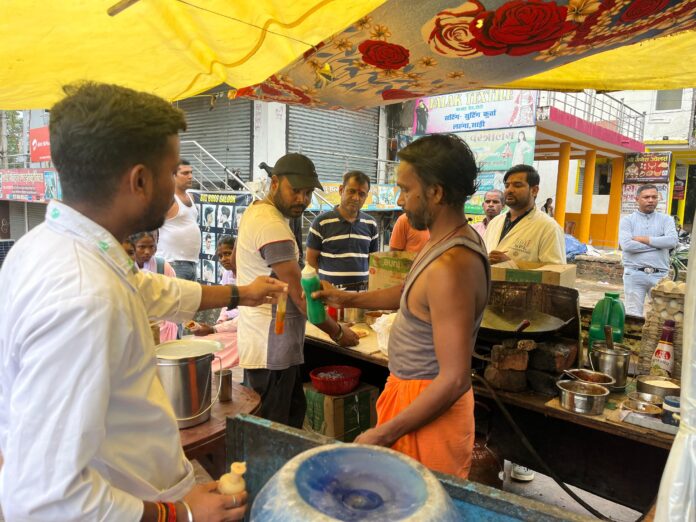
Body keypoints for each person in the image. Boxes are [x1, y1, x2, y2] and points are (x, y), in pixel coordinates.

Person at [0, 82, 287, 521]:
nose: (176, 186)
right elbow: (48, 498)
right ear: (139, 180)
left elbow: (153, 289)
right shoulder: (85, 299)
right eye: (171, 172)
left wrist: (241, 292)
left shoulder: (44, 246)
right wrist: (180, 514)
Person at [314, 134, 490, 480]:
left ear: (435, 192)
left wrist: (383, 433)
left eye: (405, 190)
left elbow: (454, 379)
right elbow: (409, 293)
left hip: (431, 415)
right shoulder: (441, 243)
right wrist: (346, 298)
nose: (399, 200)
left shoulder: (452, 265)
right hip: (412, 400)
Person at [236, 153, 359, 428]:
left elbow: (237, 262)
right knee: (274, 431)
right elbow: (301, 298)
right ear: (275, 183)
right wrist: (338, 332)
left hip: (263, 342)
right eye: (296, 191)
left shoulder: (255, 211)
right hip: (272, 349)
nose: (302, 199)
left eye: (308, 193)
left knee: (276, 424)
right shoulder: (271, 225)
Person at [306, 170, 379, 288]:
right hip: (329, 294)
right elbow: (311, 261)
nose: (356, 198)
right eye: (352, 191)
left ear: (366, 197)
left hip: (361, 295)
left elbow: (373, 262)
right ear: (341, 190)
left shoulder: (371, 224)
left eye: (361, 194)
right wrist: (317, 287)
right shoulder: (321, 222)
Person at [483, 164, 566, 266]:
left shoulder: (549, 227)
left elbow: (555, 270)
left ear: (534, 190)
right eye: (507, 186)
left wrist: (511, 264)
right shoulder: (495, 222)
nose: (509, 190)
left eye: (517, 185)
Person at [619, 184, 678, 316]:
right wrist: (659, 244)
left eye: (654, 197)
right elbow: (627, 245)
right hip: (634, 274)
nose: (651, 200)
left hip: (660, 275)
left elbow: (672, 241)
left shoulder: (666, 220)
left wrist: (644, 239)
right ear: (637, 199)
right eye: (646, 197)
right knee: (633, 315)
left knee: (662, 315)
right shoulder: (627, 221)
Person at [191, 235, 240, 369]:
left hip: (242, 328)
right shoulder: (227, 274)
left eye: (228, 254)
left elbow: (246, 317)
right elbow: (226, 302)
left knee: (209, 347)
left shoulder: (246, 275)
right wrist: (220, 320)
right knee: (197, 341)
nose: (223, 259)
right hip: (228, 324)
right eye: (220, 256)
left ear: (238, 252)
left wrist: (215, 329)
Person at [157, 159, 201, 281]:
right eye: (185, 173)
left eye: (191, 172)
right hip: (172, 262)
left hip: (192, 263)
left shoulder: (190, 197)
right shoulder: (166, 199)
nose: (190, 176)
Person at [131, 230, 178, 343]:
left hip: (162, 323)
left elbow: (174, 296)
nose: (147, 252)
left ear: (156, 248)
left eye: (151, 247)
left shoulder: (163, 266)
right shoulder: (126, 268)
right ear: (133, 248)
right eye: (142, 247)